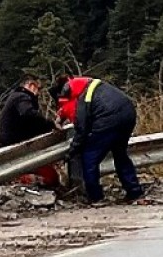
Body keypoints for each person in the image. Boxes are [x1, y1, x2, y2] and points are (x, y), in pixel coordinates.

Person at [52, 76, 146, 205]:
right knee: (120, 155)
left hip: (108, 121)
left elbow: (82, 130)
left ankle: (96, 197)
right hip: (128, 115)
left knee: (90, 158)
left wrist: (71, 152)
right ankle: (134, 192)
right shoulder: (92, 85)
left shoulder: (83, 98)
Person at [0, 75, 60, 188]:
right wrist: (50, 125)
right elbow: (29, 115)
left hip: (13, 147)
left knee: (49, 176)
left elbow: (28, 123)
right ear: (31, 85)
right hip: (16, 148)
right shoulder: (22, 98)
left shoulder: (15, 98)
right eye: (38, 89)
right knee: (50, 178)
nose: (38, 93)